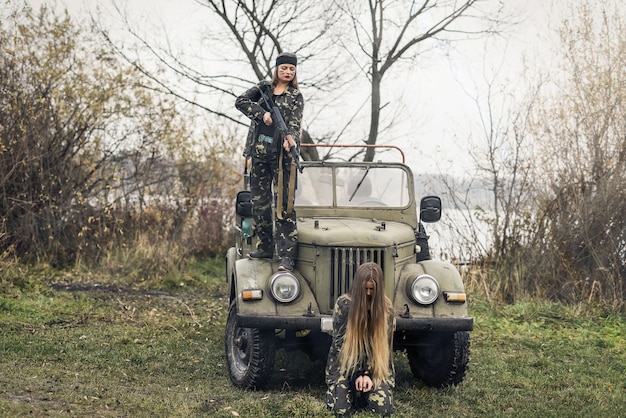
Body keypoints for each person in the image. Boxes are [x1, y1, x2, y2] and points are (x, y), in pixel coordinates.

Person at [235, 52, 304, 271]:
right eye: (284, 68)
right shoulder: (263, 88)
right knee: (259, 202)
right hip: (259, 154)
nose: (288, 72)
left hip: (281, 157)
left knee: (284, 204)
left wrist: (290, 140)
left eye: (291, 69)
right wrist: (261, 114)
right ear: (277, 70)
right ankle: (265, 246)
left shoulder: (295, 96)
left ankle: (286, 255)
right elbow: (241, 102)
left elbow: (294, 124)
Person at [325, 262, 395, 416]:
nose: (369, 293)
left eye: (372, 290)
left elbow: (386, 348)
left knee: (383, 410)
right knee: (341, 410)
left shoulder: (387, 308)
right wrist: (356, 374)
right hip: (346, 366)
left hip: (377, 367)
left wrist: (368, 375)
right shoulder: (344, 305)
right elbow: (339, 347)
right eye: (366, 289)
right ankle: (347, 391)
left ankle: (365, 393)